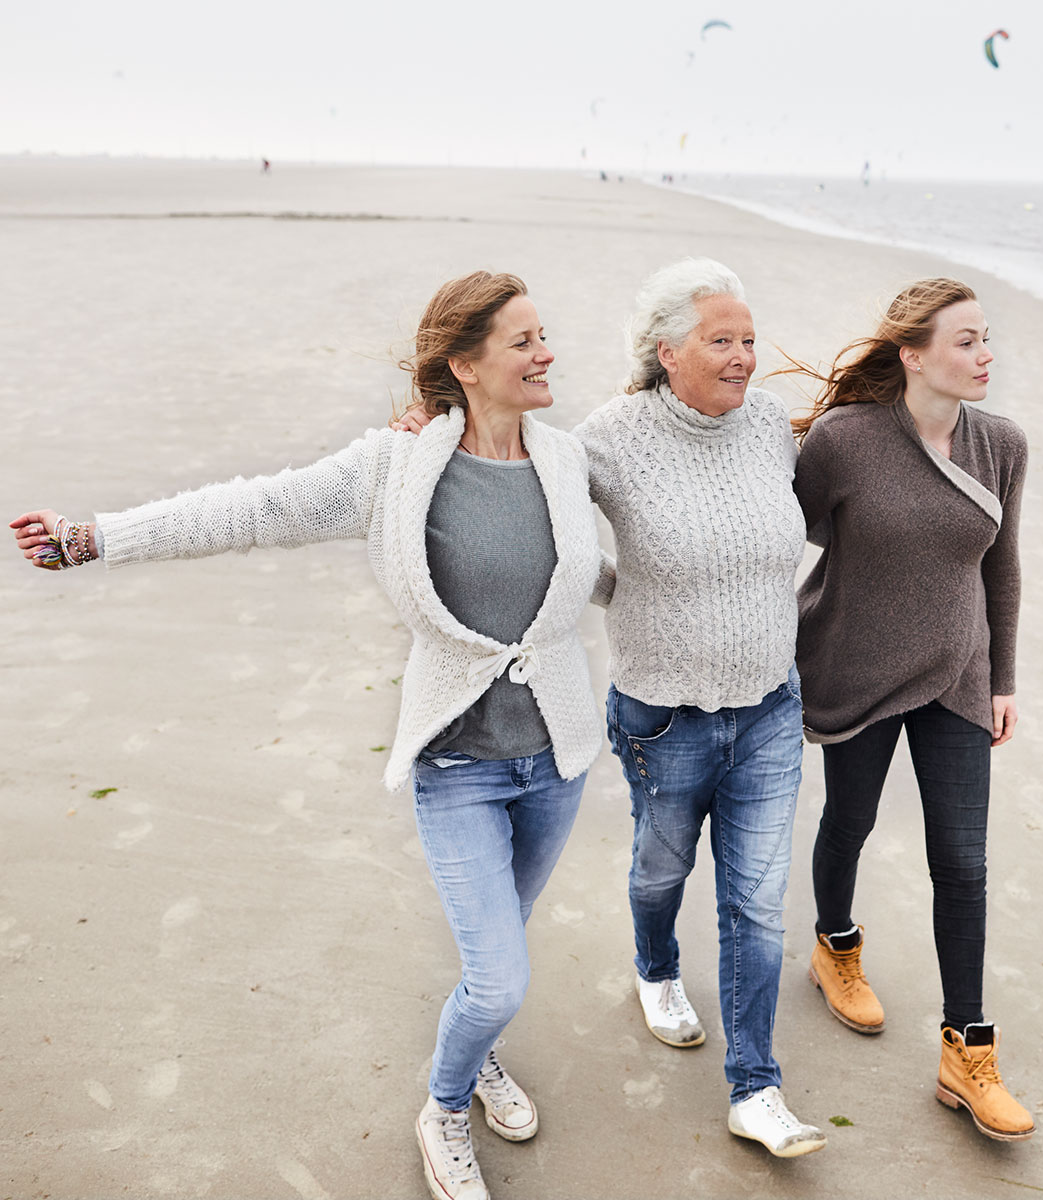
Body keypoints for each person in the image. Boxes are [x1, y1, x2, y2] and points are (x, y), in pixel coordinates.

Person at [11, 270, 609, 1200]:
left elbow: (611, 566)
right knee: (498, 980)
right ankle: (445, 1105)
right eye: (525, 341)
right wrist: (97, 537)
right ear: (467, 364)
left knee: (503, 955)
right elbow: (257, 508)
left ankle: (479, 1056)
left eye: (544, 335)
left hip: (557, 757)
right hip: (458, 766)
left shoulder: (566, 458)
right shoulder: (396, 467)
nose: (548, 353)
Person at [398, 259, 824, 1159]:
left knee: (755, 902)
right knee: (660, 872)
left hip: (771, 708)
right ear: (667, 353)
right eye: (723, 341)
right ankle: (655, 969)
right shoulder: (604, 441)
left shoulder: (772, 436)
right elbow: (519, 494)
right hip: (662, 713)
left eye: (750, 340)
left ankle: (758, 1088)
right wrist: (431, 431)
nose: (745, 357)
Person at [787, 278, 1035, 1142]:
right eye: (965, 341)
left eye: (986, 338)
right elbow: (782, 531)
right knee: (848, 820)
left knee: (962, 864)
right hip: (858, 664)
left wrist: (1003, 676)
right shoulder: (844, 441)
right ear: (913, 353)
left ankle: (966, 1051)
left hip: (959, 675)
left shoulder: (1000, 443)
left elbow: (1000, 567)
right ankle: (835, 946)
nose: (984, 355)